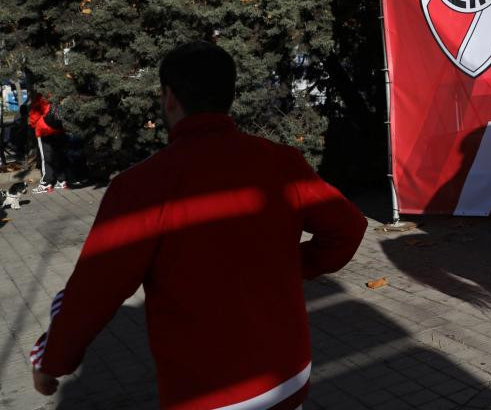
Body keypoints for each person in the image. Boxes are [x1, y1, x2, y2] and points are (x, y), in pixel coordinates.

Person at [30, 41, 368, 409]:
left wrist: (52, 360)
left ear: (169, 97)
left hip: (208, 391)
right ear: (229, 95)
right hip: (287, 375)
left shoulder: (142, 186)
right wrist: (294, 264)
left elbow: (94, 289)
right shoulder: (281, 161)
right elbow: (348, 227)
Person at [27, 93, 68, 192]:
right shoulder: (60, 92)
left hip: (44, 130)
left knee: (45, 157)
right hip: (58, 129)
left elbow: (35, 114)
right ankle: (61, 180)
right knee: (58, 154)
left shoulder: (42, 95)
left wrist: (33, 124)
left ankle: (46, 183)